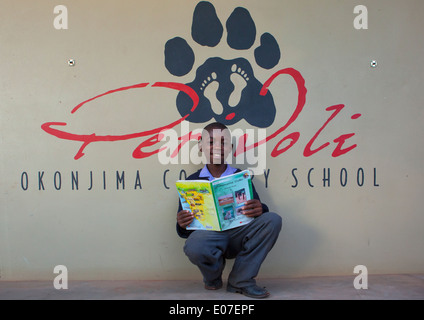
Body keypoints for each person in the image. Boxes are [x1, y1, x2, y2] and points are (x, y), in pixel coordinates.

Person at [176, 122, 282, 299]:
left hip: (239, 234)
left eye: (223, 142)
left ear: (230, 148)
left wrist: (260, 208)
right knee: (194, 244)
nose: (217, 147)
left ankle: (240, 281)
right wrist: (182, 223)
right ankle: (213, 277)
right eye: (210, 142)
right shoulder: (192, 181)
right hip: (210, 238)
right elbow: (185, 230)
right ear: (200, 147)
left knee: (273, 220)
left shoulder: (241, 177)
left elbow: (256, 212)